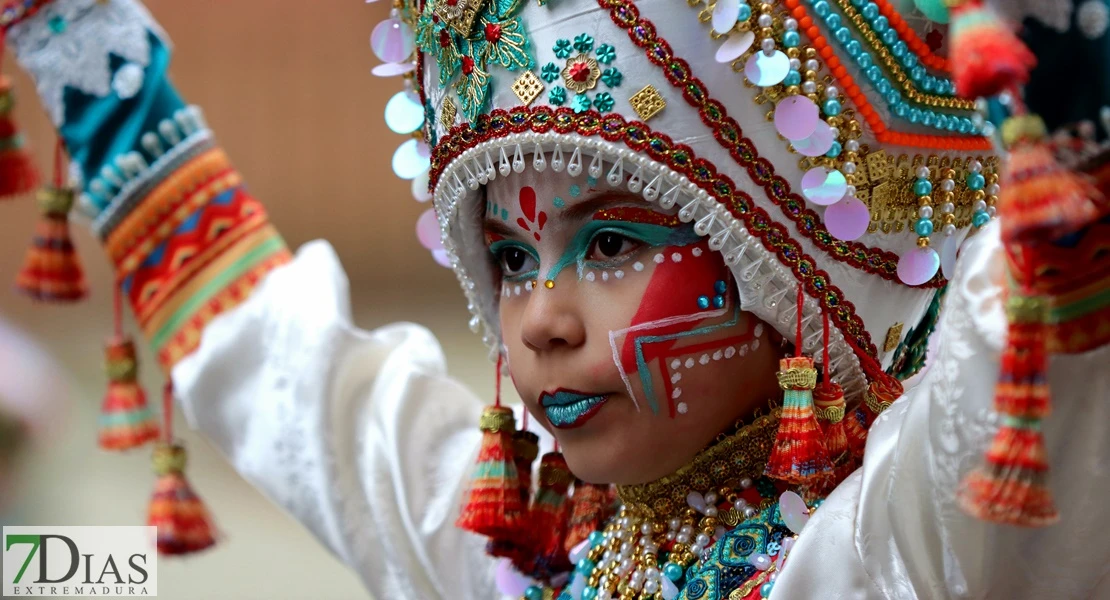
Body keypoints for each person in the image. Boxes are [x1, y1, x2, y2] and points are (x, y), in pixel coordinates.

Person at [3, 0, 1109, 598]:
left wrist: (1069, 113)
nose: (542, 318)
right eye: (515, 260)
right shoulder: (522, 560)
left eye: (614, 242)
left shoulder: (889, 549)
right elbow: (283, 371)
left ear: (790, 263)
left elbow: (1033, 349)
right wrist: (89, 56)